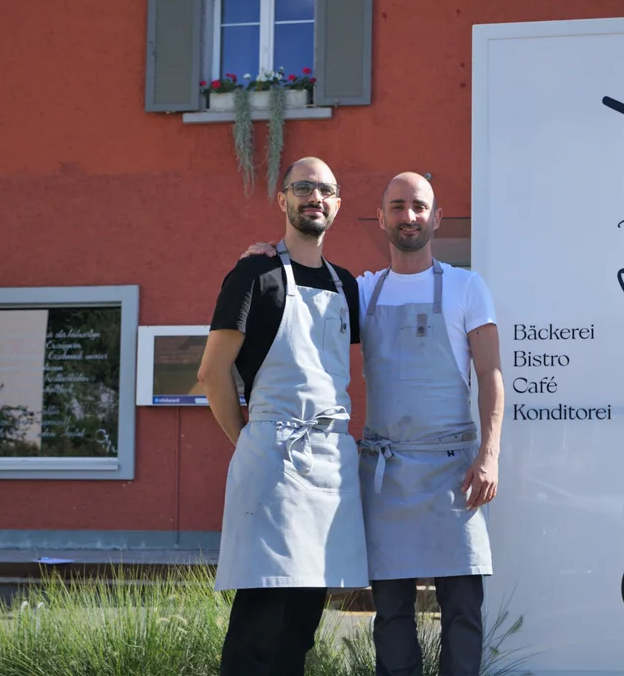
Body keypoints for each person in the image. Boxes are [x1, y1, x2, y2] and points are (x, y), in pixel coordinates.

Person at [239, 171, 505, 676]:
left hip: (455, 471)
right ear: (381, 218)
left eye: (419, 206)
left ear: (436, 218)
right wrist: (269, 259)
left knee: (464, 611)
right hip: (385, 472)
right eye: (399, 206)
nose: (410, 216)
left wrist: (489, 456)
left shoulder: (469, 288)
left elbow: (492, 377)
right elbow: (305, 291)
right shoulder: (359, 291)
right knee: (392, 613)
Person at [199, 156, 369, 676]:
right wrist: (249, 439)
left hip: (329, 463)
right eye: (302, 187)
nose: (314, 196)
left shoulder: (347, 285)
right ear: (282, 199)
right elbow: (212, 373)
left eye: (325, 189)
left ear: (337, 204)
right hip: (274, 457)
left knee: (301, 624)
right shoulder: (254, 272)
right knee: (262, 619)